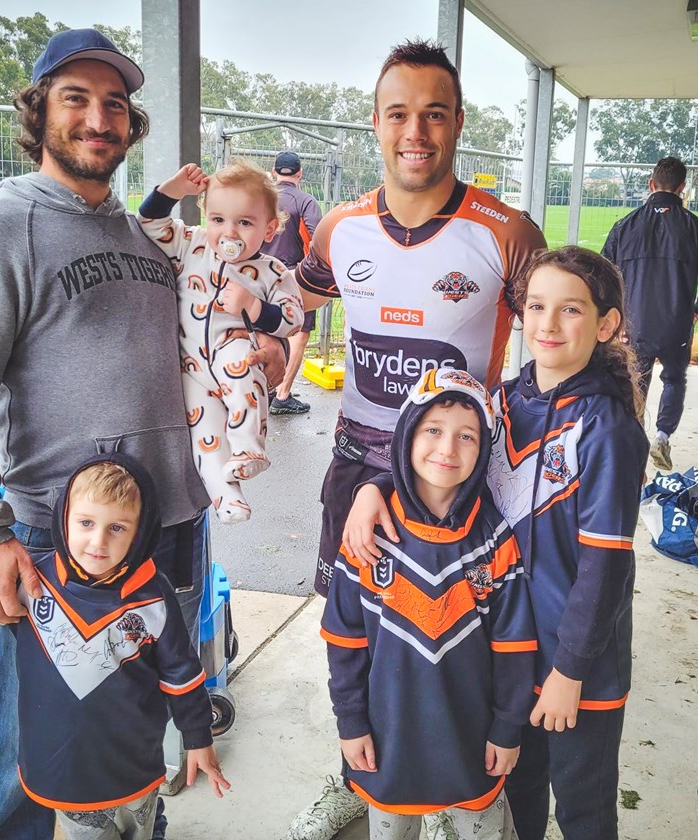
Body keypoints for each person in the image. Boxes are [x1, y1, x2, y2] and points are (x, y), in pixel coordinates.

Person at [0, 28, 281, 840]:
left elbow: (214, 326)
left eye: (115, 104)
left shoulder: (148, 237)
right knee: (27, 746)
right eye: (76, 99)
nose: (98, 118)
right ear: (39, 109)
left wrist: (266, 344)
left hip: (172, 527)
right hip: (57, 536)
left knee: (139, 724)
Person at [287, 38, 545, 840]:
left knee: (461, 631)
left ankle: (448, 783)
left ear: (459, 123)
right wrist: (249, 340)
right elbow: (292, 304)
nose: (416, 131)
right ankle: (360, 776)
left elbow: (562, 335)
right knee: (355, 624)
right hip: (356, 461)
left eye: (435, 113)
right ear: (375, 123)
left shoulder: (506, 232)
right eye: (399, 113)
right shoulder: (338, 229)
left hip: (454, 473)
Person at [347, 247, 649, 840]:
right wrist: (374, 488)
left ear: (606, 324)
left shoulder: (608, 427)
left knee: (584, 804)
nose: (548, 325)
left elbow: (605, 567)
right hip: (505, 650)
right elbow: (439, 461)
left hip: (576, 665)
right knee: (520, 791)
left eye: (571, 310)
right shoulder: (502, 401)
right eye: (537, 306)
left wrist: (570, 671)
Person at [0, 457, 230, 839]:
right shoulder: (33, 582)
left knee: (145, 830)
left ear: (140, 533)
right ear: (64, 520)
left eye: (117, 527)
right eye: (86, 523)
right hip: (63, 773)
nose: (98, 542)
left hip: (135, 766)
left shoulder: (152, 595)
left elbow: (182, 674)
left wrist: (198, 738)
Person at [322, 368, 536, 840]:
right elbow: (343, 639)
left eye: (467, 436)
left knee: (483, 829)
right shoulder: (367, 535)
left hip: (471, 742)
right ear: (406, 434)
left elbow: (515, 646)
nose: (447, 449)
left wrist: (507, 727)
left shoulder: (496, 541)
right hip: (385, 740)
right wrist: (351, 720)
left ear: (484, 451)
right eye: (433, 430)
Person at [138, 159, 304, 523]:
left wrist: (254, 307)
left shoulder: (273, 272)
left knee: (242, 369)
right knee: (205, 435)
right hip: (192, 367)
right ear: (206, 219)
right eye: (218, 220)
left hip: (234, 350)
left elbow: (293, 318)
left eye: (245, 223)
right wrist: (173, 189)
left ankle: (249, 451)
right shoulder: (192, 244)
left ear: (270, 229)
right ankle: (226, 497)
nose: (229, 233)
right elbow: (150, 222)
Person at [602, 155, 698, 471]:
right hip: (676, 325)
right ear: (682, 188)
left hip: (633, 325)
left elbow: (602, 275)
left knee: (635, 382)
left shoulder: (624, 226)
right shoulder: (696, 229)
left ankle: (631, 446)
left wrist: (615, 318)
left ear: (650, 185)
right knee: (674, 379)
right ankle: (661, 436)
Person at [263, 151, 324, 416]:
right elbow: (319, 238)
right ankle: (282, 394)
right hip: (291, 276)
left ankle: (262, 387)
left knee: (261, 328)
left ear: (274, 171)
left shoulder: (262, 197)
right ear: (299, 173)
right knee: (300, 332)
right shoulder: (306, 201)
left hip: (257, 273)